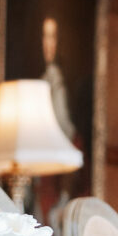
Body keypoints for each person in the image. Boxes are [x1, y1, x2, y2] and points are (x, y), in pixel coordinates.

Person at [41, 13, 79, 146]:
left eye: (52, 37)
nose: (48, 44)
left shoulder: (67, 82)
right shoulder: (42, 80)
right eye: (45, 36)